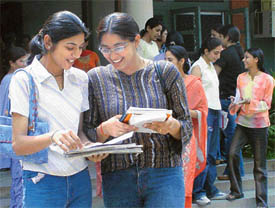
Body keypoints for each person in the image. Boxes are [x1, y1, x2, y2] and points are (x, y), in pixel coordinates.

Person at [83, 12, 193, 208]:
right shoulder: (95, 79)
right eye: (105, 49)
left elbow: (186, 125)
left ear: (135, 41)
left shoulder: (165, 72)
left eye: (119, 47)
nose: (112, 55)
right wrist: (103, 131)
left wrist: (171, 126)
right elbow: (87, 133)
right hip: (118, 177)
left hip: (164, 174)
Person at [9, 11, 106, 207]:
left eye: (80, 47)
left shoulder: (80, 78)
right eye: (70, 48)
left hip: (79, 178)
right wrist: (53, 136)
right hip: (42, 180)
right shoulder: (24, 80)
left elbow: (79, 133)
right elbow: (18, 144)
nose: (77, 55)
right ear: (47, 42)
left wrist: (89, 148)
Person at [226, 48, 274, 208]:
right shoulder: (241, 77)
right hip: (243, 122)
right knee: (232, 153)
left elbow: (266, 104)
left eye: (247, 58)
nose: (243, 60)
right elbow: (242, 98)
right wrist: (236, 102)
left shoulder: (267, 79)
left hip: (260, 125)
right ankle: (237, 190)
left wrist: (248, 102)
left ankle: (261, 201)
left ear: (256, 60)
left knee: (259, 164)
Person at [165, 45, 208, 208]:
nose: (167, 64)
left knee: (184, 184)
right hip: (164, 137)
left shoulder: (193, 83)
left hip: (186, 138)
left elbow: (203, 112)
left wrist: (183, 112)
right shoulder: (162, 82)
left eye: (170, 60)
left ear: (182, 61)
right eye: (165, 60)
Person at [190, 37, 227, 206]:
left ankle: (210, 188)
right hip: (204, 113)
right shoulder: (197, 67)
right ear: (206, 51)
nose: (218, 56)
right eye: (215, 53)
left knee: (212, 154)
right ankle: (198, 191)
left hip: (215, 110)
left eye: (220, 53)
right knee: (202, 152)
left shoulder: (211, 66)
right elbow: (194, 93)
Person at [214, 25, 245, 180]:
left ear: (227, 37)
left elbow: (214, 75)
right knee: (233, 135)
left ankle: (233, 171)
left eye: (220, 36)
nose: (219, 40)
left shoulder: (225, 54)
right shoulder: (241, 52)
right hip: (236, 99)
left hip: (226, 99)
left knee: (230, 136)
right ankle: (237, 170)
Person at [0, 46, 28, 208]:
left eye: (26, 60)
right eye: (21, 61)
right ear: (12, 63)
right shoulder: (13, 80)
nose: (24, 64)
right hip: (16, 135)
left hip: (13, 135)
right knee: (20, 182)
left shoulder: (8, 79)